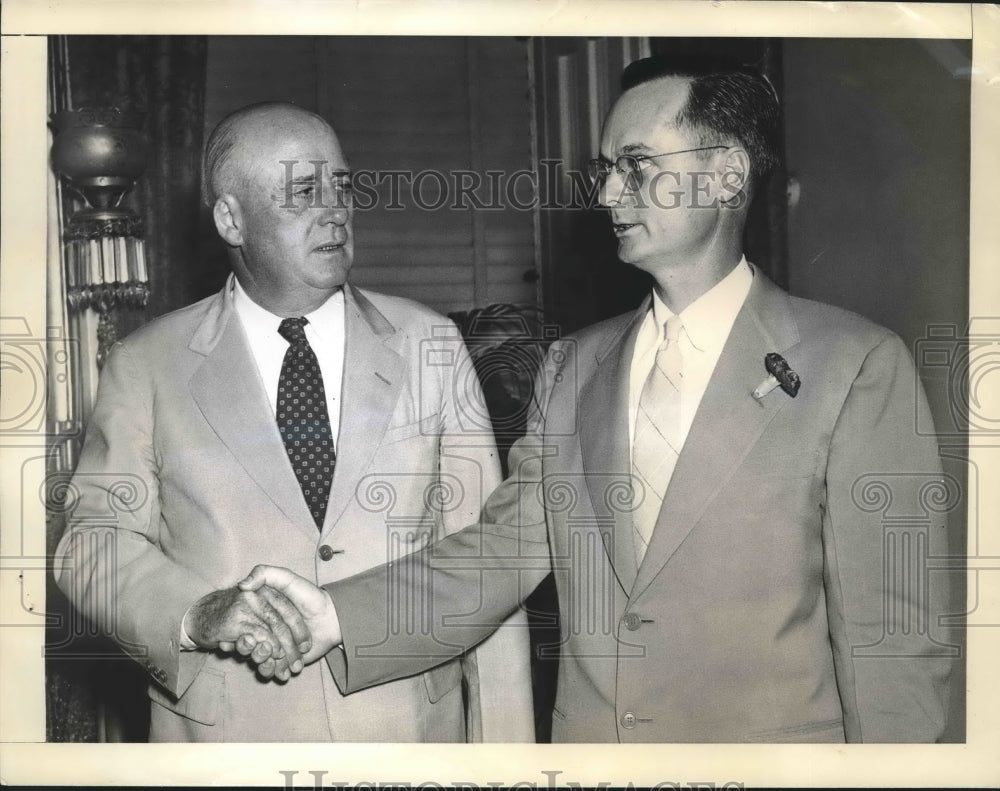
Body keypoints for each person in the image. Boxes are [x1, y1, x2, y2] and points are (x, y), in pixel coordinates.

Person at [242, 57, 955, 743]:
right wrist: (335, 615)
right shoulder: (572, 366)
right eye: (605, 170)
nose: (609, 194)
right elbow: (499, 556)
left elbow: (891, 642)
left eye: (637, 166)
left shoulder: (854, 366)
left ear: (727, 174)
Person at [54, 102, 534, 742]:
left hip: (406, 738)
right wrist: (197, 614)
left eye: (341, 186)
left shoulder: (431, 344)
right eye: (303, 193)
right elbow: (92, 543)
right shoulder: (145, 365)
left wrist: (505, 759)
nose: (334, 210)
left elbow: (488, 565)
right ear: (232, 218)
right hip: (226, 743)